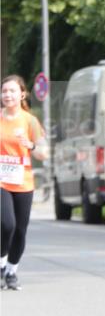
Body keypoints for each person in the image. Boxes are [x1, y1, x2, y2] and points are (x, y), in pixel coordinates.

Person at [1, 75, 48, 291]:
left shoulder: (30, 121)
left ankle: (11, 271)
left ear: (22, 94)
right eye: (4, 91)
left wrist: (29, 144)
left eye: (11, 91)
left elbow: (44, 153)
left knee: (20, 230)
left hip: (23, 181)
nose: (7, 95)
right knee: (6, 224)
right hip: (2, 181)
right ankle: (1, 263)